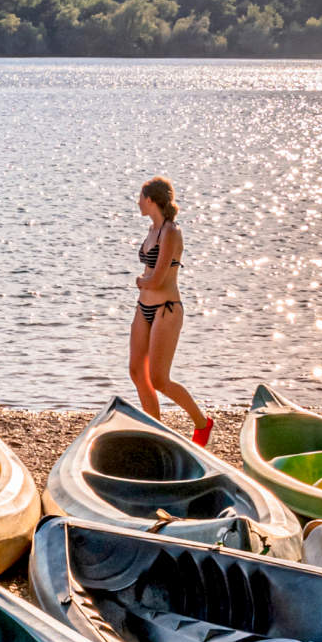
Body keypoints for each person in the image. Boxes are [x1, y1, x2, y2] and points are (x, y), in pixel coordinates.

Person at [130, 176, 212, 445]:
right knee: (136, 372)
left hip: (167, 309)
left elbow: (158, 279)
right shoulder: (151, 230)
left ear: (151, 199)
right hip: (144, 308)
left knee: (159, 379)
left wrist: (141, 281)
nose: (138, 202)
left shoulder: (170, 232)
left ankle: (202, 423)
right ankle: (156, 430)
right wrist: (144, 283)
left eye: (141, 197)